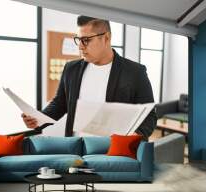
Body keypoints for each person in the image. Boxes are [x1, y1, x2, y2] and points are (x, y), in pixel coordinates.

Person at [22, 15, 157, 141]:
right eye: (78, 40)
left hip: (113, 153)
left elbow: (149, 117)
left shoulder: (135, 72)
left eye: (86, 40)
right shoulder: (71, 69)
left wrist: (135, 136)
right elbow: (59, 104)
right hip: (76, 149)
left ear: (106, 38)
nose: (80, 46)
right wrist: (38, 120)